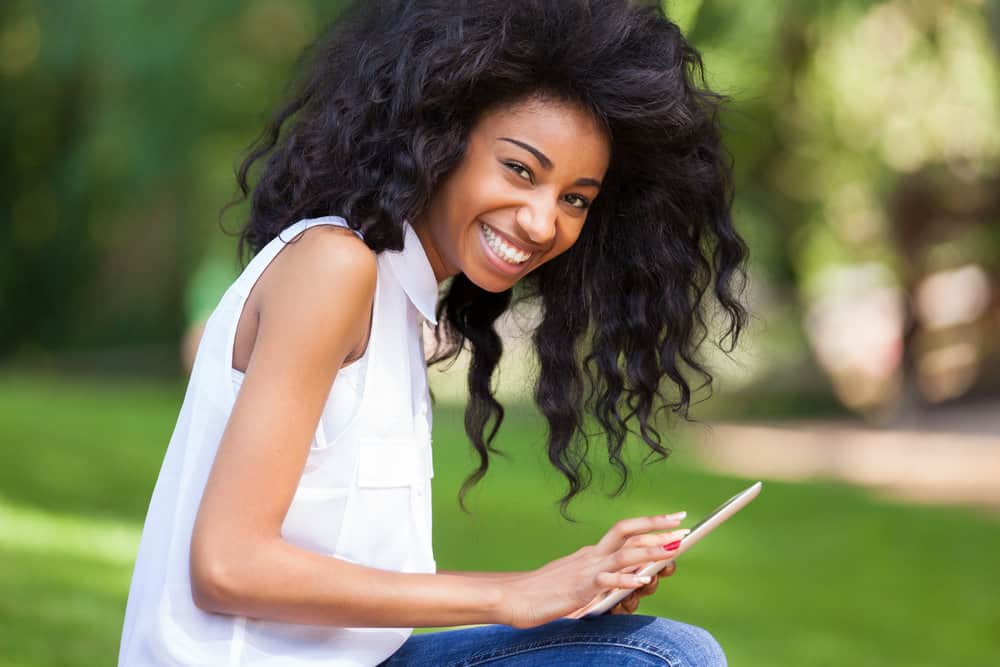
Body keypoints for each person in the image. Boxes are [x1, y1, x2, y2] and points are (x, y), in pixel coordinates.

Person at [118, 0, 748, 664]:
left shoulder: (400, 298)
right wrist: (514, 592)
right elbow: (227, 564)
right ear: (442, 138)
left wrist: (575, 588)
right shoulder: (334, 268)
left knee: (652, 654)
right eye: (521, 170)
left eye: (574, 198)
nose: (542, 221)